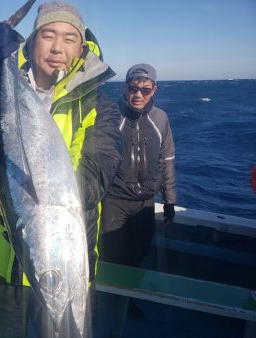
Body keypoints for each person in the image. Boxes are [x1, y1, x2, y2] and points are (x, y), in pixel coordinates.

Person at [0, 1, 122, 337]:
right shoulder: (0, 91)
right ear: (32, 41)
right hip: (1, 263)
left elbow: (99, 171)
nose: (57, 48)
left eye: (69, 39)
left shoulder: (97, 105)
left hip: (63, 265)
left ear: (81, 48)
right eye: (48, 35)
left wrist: (39, 203)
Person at [95, 63, 176, 337]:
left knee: (138, 256)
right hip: (113, 200)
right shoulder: (110, 115)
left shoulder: (161, 119)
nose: (138, 94)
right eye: (133, 87)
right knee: (111, 257)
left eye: (145, 89)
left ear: (154, 90)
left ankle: (126, 301)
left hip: (145, 202)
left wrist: (169, 200)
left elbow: (167, 161)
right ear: (124, 88)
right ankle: (105, 303)